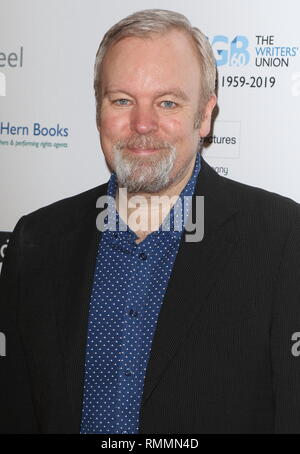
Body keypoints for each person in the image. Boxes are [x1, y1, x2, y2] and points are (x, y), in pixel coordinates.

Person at [0, 8, 300, 435]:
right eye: (122, 100)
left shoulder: (282, 240)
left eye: (167, 102)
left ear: (206, 115)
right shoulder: (37, 240)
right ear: (99, 110)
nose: (142, 124)